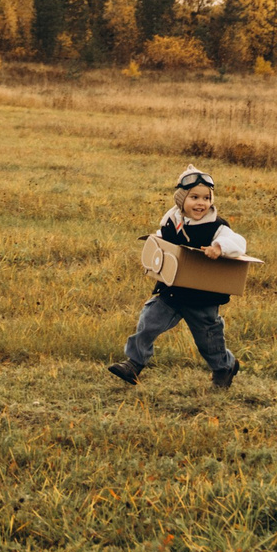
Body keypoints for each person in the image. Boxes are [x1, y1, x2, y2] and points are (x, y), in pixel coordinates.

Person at [109, 166, 245, 390]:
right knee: (148, 322)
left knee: (208, 339)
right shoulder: (172, 221)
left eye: (206, 198)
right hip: (171, 290)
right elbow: (162, 241)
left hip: (202, 297)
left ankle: (224, 367)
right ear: (181, 200)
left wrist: (219, 247)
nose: (201, 203)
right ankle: (134, 364)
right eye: (194, 197)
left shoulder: (216, 227)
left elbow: (239, 243)